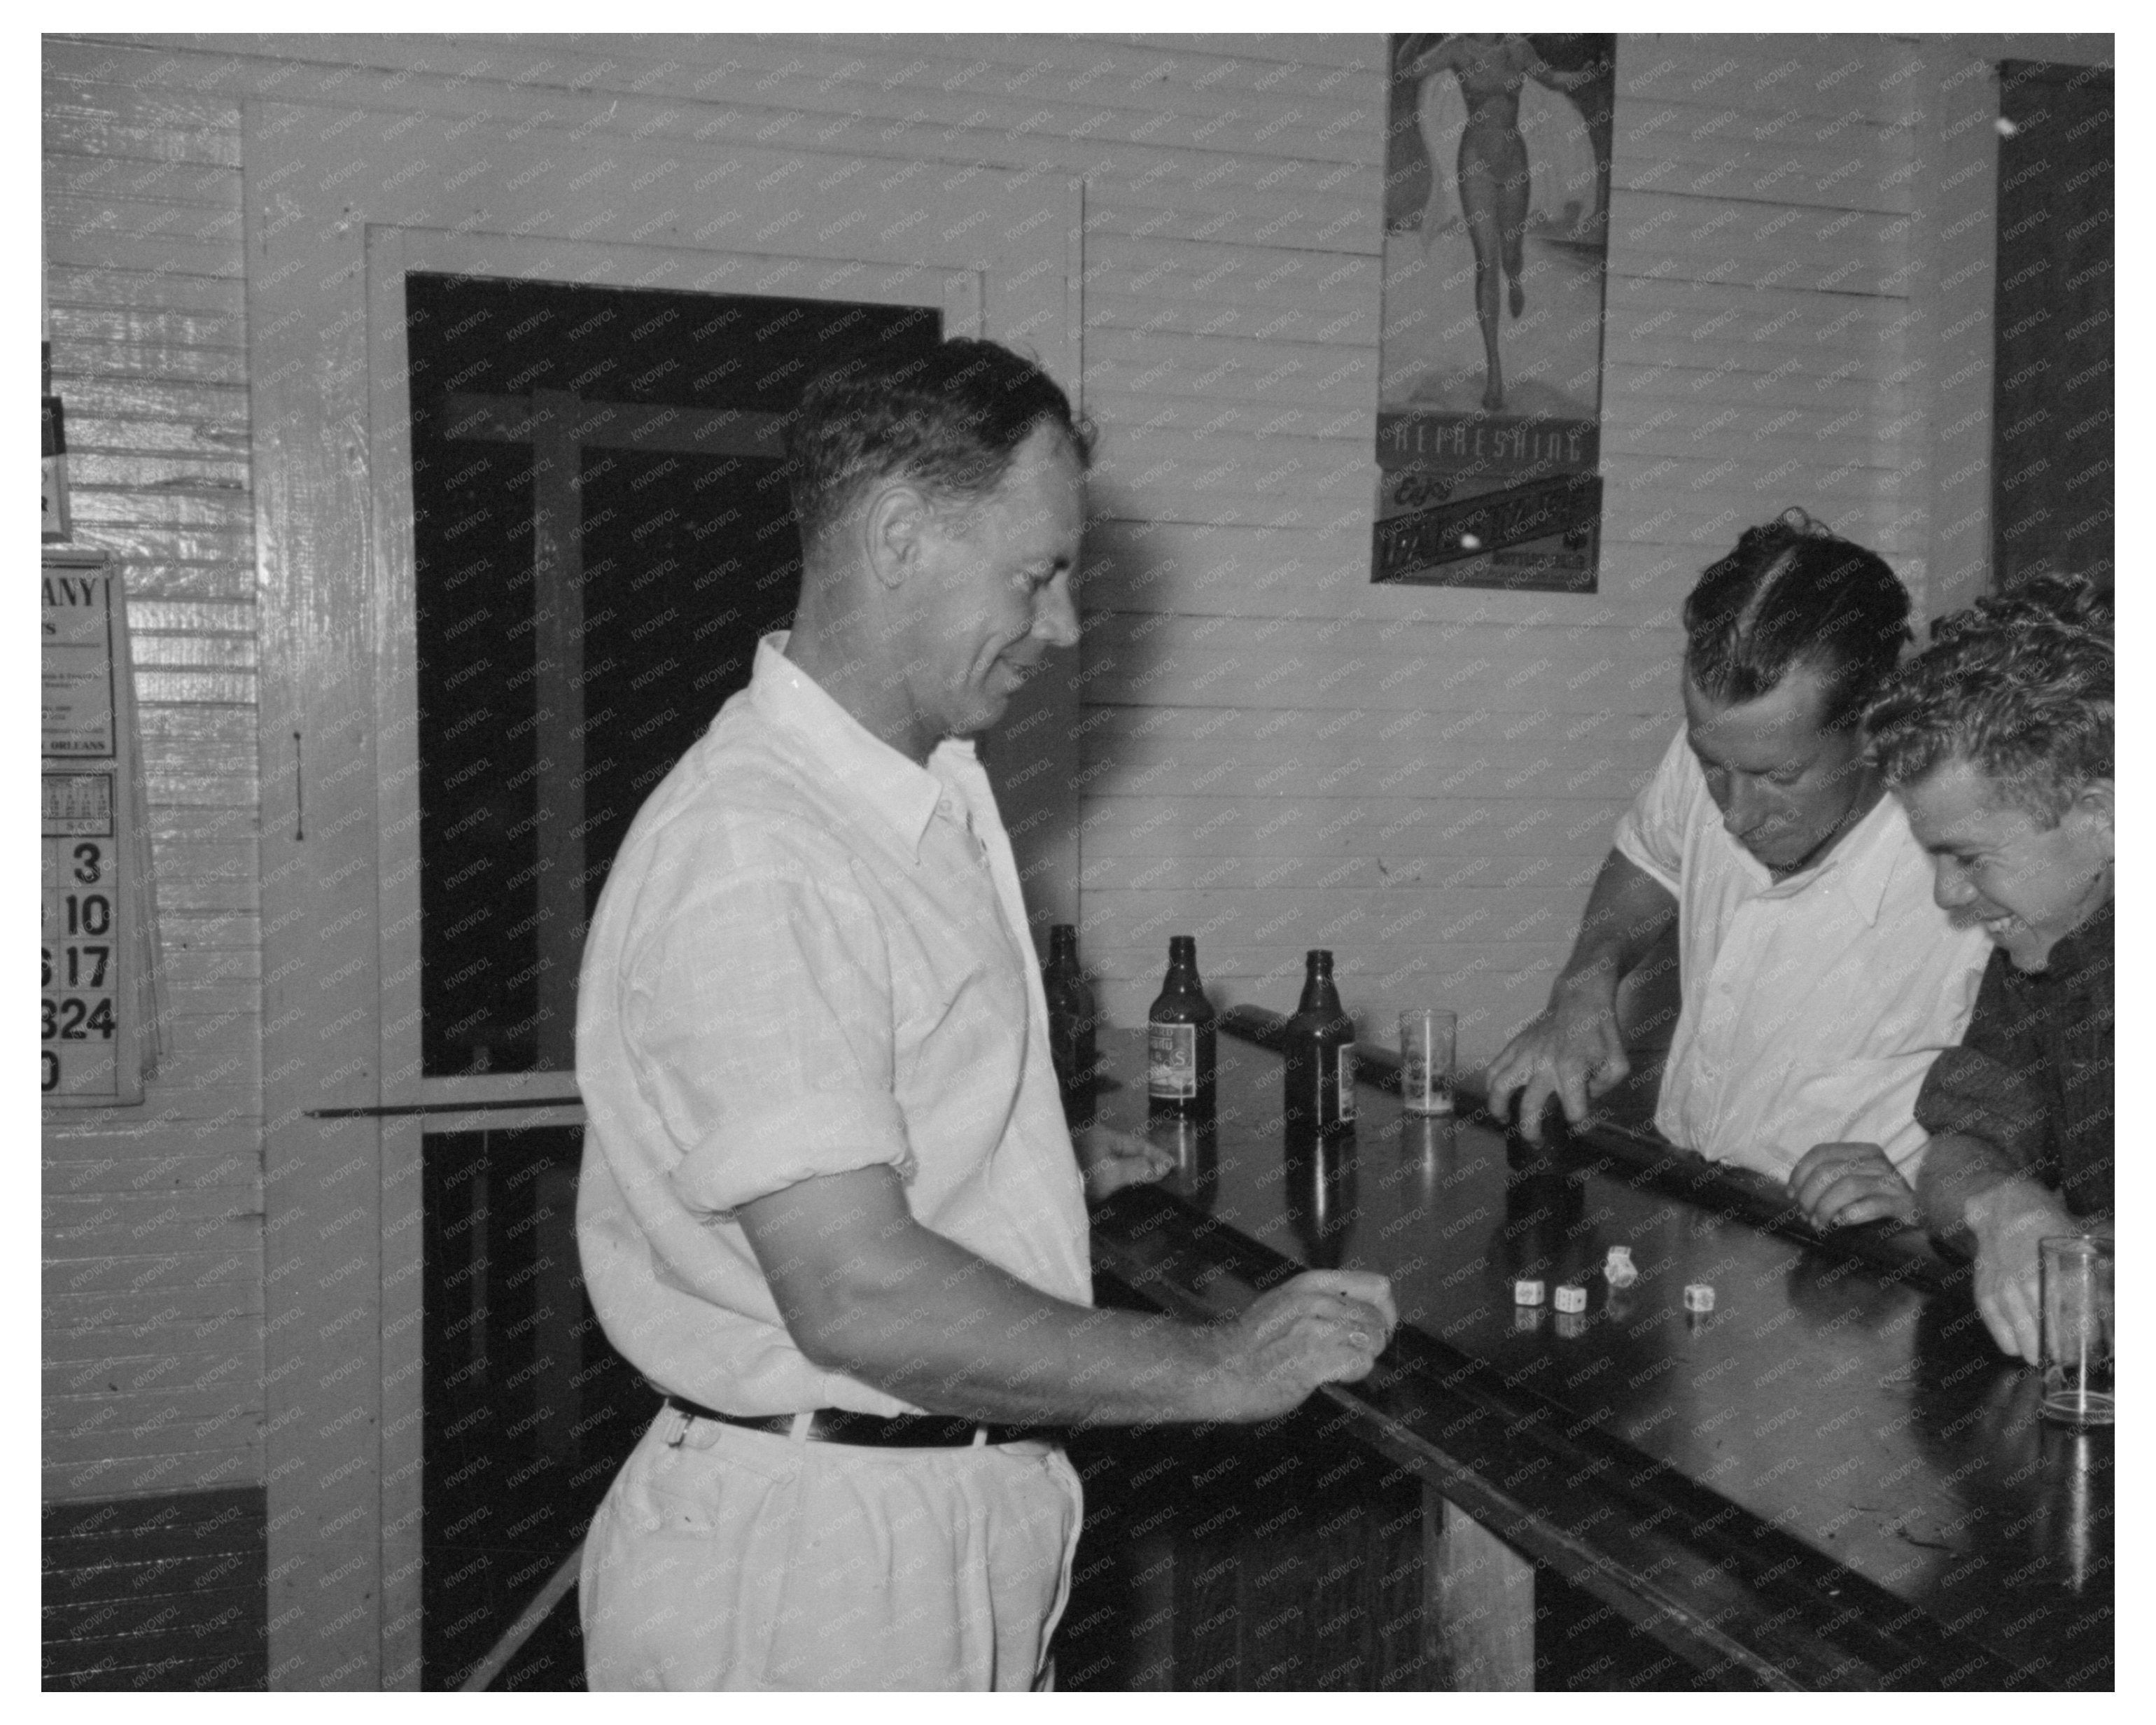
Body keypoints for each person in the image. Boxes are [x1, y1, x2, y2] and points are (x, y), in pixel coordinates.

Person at [573, 338, 1394, 1691]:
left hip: (914, 1520)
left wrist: (1027, 1171)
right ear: (899, 536)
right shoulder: (758, 851)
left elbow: (861, 1126)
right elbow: (857, 1290)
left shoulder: (907, 795)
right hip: (823, 1574)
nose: (1062, 626)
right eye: (1035, 574)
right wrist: (1222, 1365)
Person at [1487, 510, 1991, 1185]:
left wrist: (1937, 1196)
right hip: (1689, 1191)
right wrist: (1586, 976)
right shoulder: (1730, 741)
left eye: (1779, 778)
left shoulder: (1978, 854)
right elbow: (1650, 859)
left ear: (1876, 723)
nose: (1736, 814)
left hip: (1859, 1238)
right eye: (1711, 769)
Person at [1789, 576, 2112, 1362]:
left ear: (2103, 816)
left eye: (1968, 857)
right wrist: (2002, 1206)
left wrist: (2067, 1239)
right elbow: (1961, 1143)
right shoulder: (2044, 947)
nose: (1948, 895)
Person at [1393, 33, 1600, 410]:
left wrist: (1584, 74)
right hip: (1475, 164)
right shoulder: (1458, 48)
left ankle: (1516, 276)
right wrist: (1419, 31)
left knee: (1511, 254)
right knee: (1486, 265)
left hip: (1514, 163)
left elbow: (1552, 79)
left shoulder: (1517, 49)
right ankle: (1495, 372)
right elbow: (1407, 69)